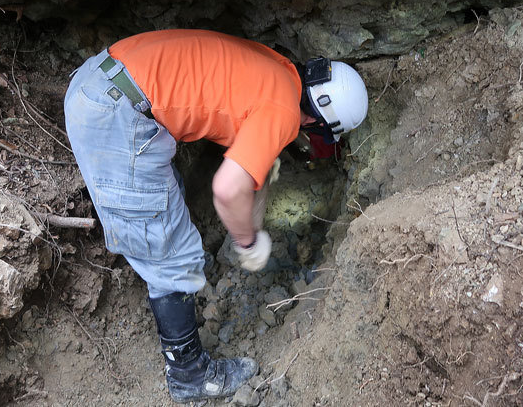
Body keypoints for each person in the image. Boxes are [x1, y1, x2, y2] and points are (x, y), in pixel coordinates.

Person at [63, 29, 368, 403]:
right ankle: (189, 375)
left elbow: (256, 152)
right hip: (116, 116)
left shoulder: (280, 70)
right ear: (317, 122)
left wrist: (254, 213)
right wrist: (247, 240)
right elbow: (226, 189)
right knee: (173, 253)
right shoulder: (286, 112)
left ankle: (170, 284)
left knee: (164, 201)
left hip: (100, 79)